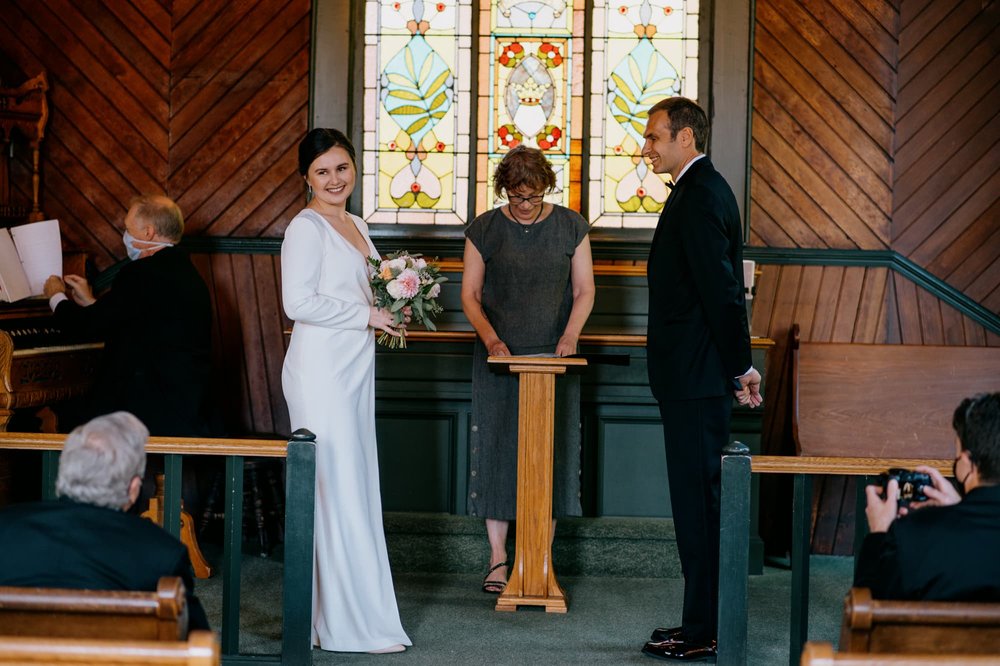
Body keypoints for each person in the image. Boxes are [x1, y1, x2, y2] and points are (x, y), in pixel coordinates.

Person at [639, 97, 761, 663]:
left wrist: (741, 366)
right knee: (695, 507)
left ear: (685, 136)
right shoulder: (698, 191)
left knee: (700, 508)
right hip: (690, 377)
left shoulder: (701, 195)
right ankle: (698, 624)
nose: (648, 147)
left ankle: (705, 631)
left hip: (696, 379)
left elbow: (722, 292)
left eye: (655, 137)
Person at [280, 128, 410, 654]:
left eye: (341, 167)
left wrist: (396, 305)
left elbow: (366, 286)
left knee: (356, 484)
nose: (335, 179)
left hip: (355, 366)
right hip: (321, 372)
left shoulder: (355, 222)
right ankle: (340, 620)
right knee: (334, 488)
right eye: (322, 171)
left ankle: (348, 612)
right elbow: (298, 303)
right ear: (306, 179)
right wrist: (368, 314)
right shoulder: (304, 228)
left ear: (354, 167)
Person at [461, 145, 595, 594]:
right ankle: (499, 560)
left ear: (545, 189)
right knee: (499, 453)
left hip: (554, 359)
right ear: (504, 190)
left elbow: (584, 290)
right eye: (517, 197)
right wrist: (492, 339)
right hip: (498, 358)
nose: (525, 205)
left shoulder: (571, 226)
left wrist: (571, 335)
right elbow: (469, 296)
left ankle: (537, 557)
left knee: (550, 456)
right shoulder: (484, 229)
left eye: (534, 197)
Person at [0, 411, 210, 631]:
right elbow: (195, 640)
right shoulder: (162, 553)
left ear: (63, 473)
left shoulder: (5, 528)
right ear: (134, 488)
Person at [42, 195, 213, 438]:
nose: (125, 234)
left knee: (73, 417)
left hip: (153, 405)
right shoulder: (186, 271)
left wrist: (56, 296)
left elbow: (87, 326)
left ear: (148, 232)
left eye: (128, 228)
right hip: (185, 402)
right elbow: (141, 320)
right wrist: (92, 302)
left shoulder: (141, 273)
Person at [855, 392, 1000, 601]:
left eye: (957, 458)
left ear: (968, 463)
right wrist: (961, 506)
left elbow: (866, 614)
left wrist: (879, 536)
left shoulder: (911, 536)